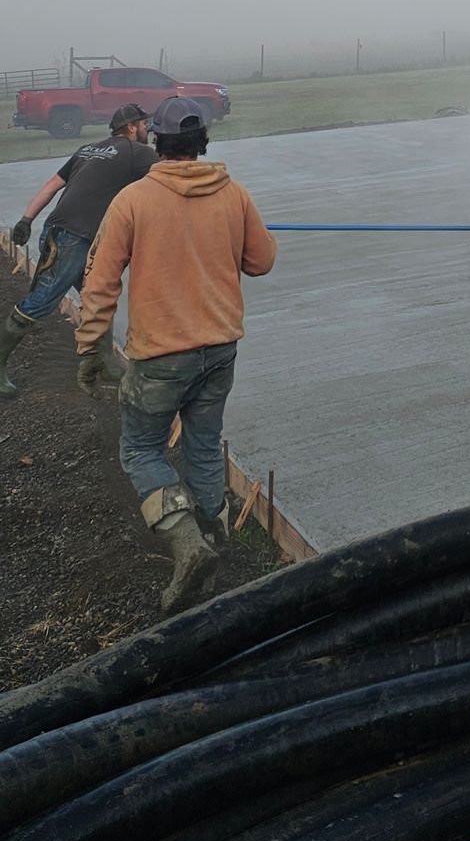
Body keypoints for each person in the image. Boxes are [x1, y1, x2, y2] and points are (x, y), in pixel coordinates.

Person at [77, 95, 277, 612]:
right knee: (204, 448)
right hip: (220, 350)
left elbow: (99, 285)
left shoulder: (133, 201)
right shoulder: (233, 193)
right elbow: (262, 261)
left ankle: (187, 543)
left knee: (140, 450)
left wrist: (90, 349)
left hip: (161, 356)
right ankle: (213, 544)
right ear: (202, 143)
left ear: (158, 143)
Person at [1, 105, 154, 399]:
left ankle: (108, 365)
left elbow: (52, 185)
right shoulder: (138, 153)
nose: (148, 130)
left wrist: (26, 219)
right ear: (132, 127)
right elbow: (171, 176)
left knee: (99, 296)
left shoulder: (88, 149)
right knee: (41, 301)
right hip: (75, 238)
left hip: (64, 231)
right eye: (145, 124)